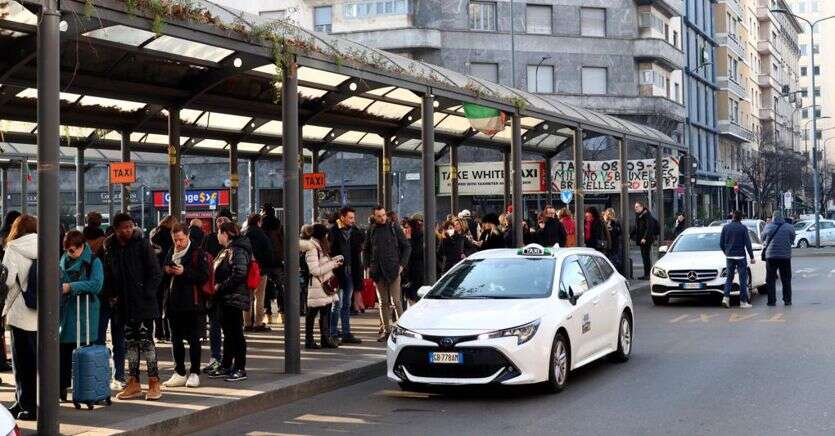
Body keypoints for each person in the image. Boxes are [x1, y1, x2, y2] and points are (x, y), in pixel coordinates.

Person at [104, 213, 163, 401]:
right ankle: (134, 382)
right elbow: (109, 273)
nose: (128, 230)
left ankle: (154, 382)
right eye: (124, 227)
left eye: (130, 226)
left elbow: (155, 272)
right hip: (123, 303)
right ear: (116, 229)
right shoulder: (110, 246)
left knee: (146, 342)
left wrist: (146, 293)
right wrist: (112, 294)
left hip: (143, 302)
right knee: (130, 343)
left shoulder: (142, 244)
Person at [162, 223, 209, 388]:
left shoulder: (197, 252)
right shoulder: (171, 251)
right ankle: (179, 372)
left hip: (192, 303)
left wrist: (185, 272)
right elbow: (163, 275)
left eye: (181, 239)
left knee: (193, 339)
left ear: (188, 236)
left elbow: (204, 276)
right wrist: (167, 270)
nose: (178, 243)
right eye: (175, 240)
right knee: (175, 339)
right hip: (173, 303)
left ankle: (195, 372)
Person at [58, 230, 104, 402]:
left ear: (81, 246)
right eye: (67, 250)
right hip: (66, 312)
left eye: (72, 250)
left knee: (84, 351)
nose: (69, 254)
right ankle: (61, 387)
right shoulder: (62, 260)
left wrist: (71, 286)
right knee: (63, 353)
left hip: (85, 313)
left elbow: (96, 285)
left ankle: (86, 389)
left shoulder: (93, 261)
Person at [2, 215, 37, 420]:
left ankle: (27, 405)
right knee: (38, 362)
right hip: (43, 313)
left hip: (21, 313)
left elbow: (6, 280)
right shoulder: (46, 244)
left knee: (22, 363)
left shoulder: (13, 247)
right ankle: (27, 402)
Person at [207, 222, 252, 382]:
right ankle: (227, 365)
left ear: (225, 233)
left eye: (218, 232)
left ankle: (240, 367)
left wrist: (220, 286)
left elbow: (239, 273)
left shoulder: (237, 250)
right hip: (227, 298)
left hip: (233, 297)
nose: (217, 235)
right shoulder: (229, 249)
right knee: (229, 333)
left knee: (236, 333)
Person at [362, 205, 411, 342]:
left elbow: (406, 247)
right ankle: (386, 330)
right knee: (383, 302)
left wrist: (401, 265)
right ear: (374, 216)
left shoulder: (394, 228)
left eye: (384, 215)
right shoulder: (371, 229)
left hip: (394, 269)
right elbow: (366, 249)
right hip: (378, 271)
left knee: (396, 301)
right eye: (379, 216)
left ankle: (402, 330)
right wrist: (367, 266)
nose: (382, 218)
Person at [301, 224, 342, 349]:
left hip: (323, 285)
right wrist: (333, 265)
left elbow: (321, 264)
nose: (327, 237)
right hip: (318, 285)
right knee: (313, 313)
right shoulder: (312, 248)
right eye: (326, 235)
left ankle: (325, 338)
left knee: (325, 311)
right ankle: (310, 340)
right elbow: (314, 270)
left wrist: (334, 260)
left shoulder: (318, 247)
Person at [327, 207, 364, 345]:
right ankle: (333, 333)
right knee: (337, 304)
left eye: (353, 218)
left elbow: (359, 247)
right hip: (338, 272)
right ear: (342, 217)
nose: (353, 220)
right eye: (350, 218)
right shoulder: (334, 231)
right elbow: (329, 251)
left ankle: (346, 333)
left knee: (346, 304)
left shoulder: (353, 232)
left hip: (350, 271)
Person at [243, 213, 274, 332]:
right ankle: (258, 323)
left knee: (247, 297)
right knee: (259, 297)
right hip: (260, 270)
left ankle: (247, 323)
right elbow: (269, 253)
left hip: (246, 270)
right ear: (258, 222)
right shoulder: (262, 235)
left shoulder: (244, 233)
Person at [719, 210, 755, 309]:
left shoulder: (726, 228)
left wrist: (726, 252)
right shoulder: (743, 228)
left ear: (733, 217)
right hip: (740, 256)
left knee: (729, 278)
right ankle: (743, 302)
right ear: (741, 218)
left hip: (729, 256)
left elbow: (721, 243)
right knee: (742, 279)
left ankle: (726, 298)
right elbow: (748, 244)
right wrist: (752, 257)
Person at [151, 215, 177, 342]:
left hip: (155, 273)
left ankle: (158, 332)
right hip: (166, 273)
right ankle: (168, 332)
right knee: (167, 303)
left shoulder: (154, 233)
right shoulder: (169, 236)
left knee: (157, 302)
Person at [761, 210, 795, 306]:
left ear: (773, 218)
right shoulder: (789, 227)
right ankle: (787, 300)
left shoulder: (768, 226)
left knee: (770, 279)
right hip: (785, 256)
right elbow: (792, 238)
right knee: (786, 279)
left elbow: (762, 238)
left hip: (771, 256)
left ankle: (771, 301)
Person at [260, 204, 284, 325]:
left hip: (264, 261)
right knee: (280, 287)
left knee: (264, 288)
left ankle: (267, 314)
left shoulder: (261, 224)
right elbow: (283, 241)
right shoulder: (279, 225)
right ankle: (281, 313)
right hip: (277, 260)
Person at [631, 202, 659, 280]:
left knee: (646, 257)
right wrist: (630, 234)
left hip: (646, 240)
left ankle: (647, 274)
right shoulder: (639, 216)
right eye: (635, 207)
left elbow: (649, 228)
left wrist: (644, 238)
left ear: (642, 207)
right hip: (642, 239)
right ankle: (646, 274)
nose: (635, 208)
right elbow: (636, 227)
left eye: (637, 207)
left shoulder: (646, 215)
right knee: (644, 257)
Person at [402, 215, 425, 305]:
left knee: (413, 294)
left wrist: (408, 239)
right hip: (410, 269)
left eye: (408, 227)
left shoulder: (417, 237)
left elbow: (414, 252)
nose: (406, 229)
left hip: (415, 270)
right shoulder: (413, 236)